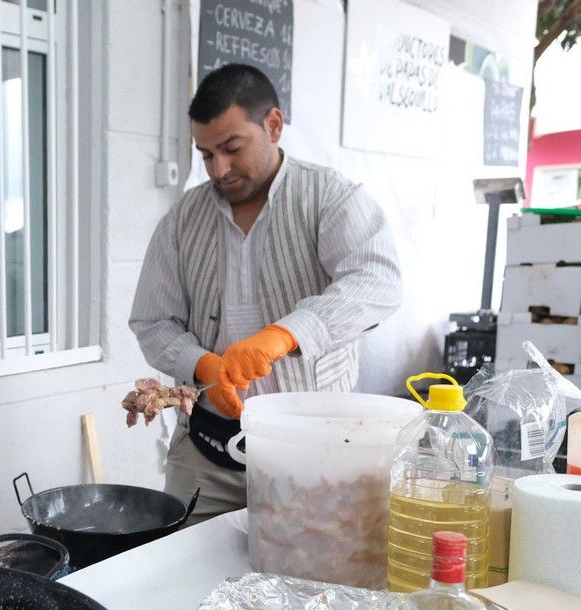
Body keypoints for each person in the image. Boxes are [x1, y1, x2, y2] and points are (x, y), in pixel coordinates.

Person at [130, 64, 402, 521]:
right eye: (206, 154)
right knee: (184, 570)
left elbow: (377, 281)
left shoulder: (331, 198)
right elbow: (152, 322)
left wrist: (285, 334)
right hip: (204, 453)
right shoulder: (183, 218)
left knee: (308, 573)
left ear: (273, 125)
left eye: (232, 148)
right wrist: (200, 364)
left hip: (314, 447)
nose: (220, 169)